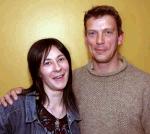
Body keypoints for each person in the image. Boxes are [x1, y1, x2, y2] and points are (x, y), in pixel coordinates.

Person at [1, 5, 150, 134]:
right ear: (86, 39)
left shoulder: (145, 85)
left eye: (108, 32)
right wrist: (19, 94)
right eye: (92, 33)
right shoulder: (70, 79)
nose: (99, 40)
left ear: (120, 38)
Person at [0, 38, 80, 134]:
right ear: (38, 72)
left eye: (61, 59)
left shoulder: (78, 110)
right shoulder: (15, 108)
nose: (58, 67)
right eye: (47, 63)